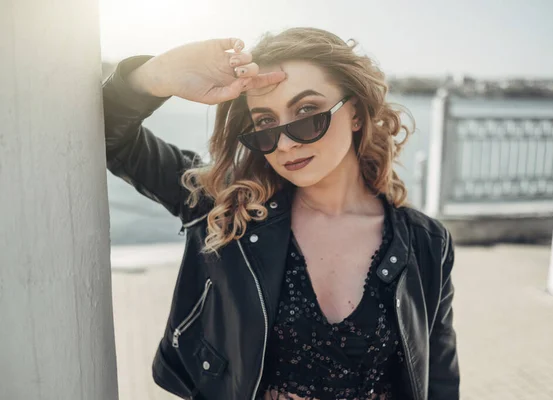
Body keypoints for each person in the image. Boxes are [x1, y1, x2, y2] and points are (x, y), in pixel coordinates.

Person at [103, 27, 459, 400]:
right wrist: (160, 74)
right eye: (266, 122)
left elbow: (439, 382)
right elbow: (113, 136)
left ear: (355, 112)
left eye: (307, 111)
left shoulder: (427, 243)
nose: (286, 142)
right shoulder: (227, 208)